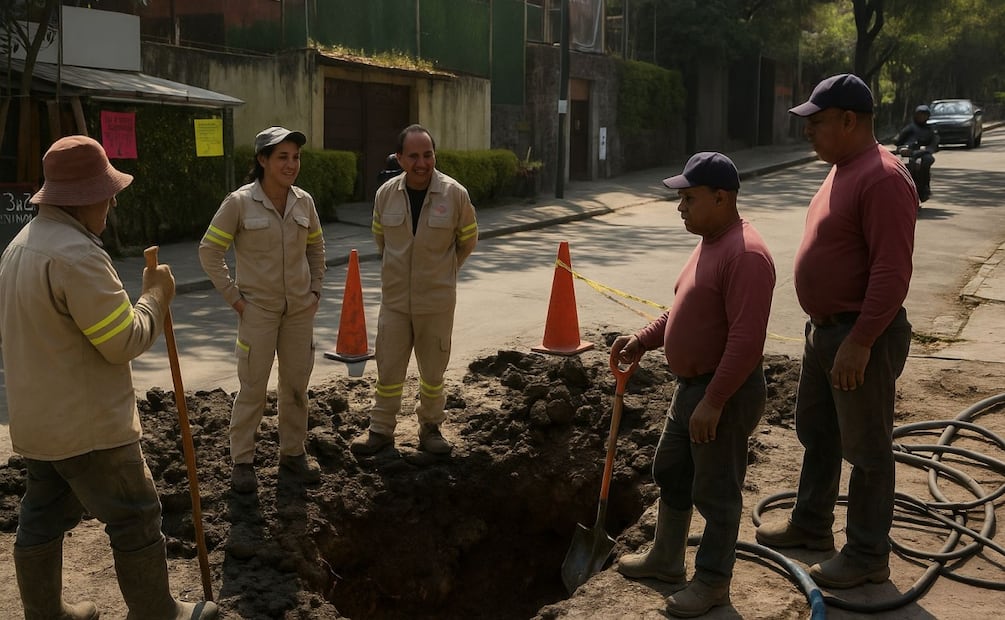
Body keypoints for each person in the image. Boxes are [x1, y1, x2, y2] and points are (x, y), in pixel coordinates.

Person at [0, 135, 217, 618]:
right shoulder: (77, 256)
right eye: (107, 191)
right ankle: (158, 613)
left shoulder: (19, 246)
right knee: (135, 515)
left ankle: (47, 613)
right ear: (82, 197)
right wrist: (156, 296)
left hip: (37, 423)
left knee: (41, 516)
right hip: (89, 428)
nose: (113, 200)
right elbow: (123, 340)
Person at [754, 74, 916, 590]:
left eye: (817, 122)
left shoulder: (883, 177)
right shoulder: (843, 169)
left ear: (850, 120)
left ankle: (868, 552)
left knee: (867, 449)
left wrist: (861, 340)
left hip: (858, 336)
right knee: (818, 433)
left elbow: (892, 273)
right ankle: (811, 523)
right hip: (826, 332)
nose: (809, 132)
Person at [611, 152, 775, 617]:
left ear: (721, 197)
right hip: (692, 388)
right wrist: (644, 339)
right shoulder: (710, 242)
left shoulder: (745, 255)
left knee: (717, 491)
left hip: (722, 391)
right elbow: (683, 310)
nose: (680, 207)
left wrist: (715, 401)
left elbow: (746, 342)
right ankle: (666, 558)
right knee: (672, 470)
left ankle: (712, 582)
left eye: (688, 198)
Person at [199, 126, 326, 494]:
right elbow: (209, 251)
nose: (291, 164)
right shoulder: (239, 203)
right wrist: (235, 299)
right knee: (253, 387)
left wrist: (316, 290)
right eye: (282, 157)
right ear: (263, 160)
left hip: (300, 312)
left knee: (296, 387)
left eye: (296, 157)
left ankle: (293, 454)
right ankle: (242, 461)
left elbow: (316, 249)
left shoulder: (304, 202)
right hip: (258, 312)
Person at [350, 124, 478, 456]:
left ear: (434, 155)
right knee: (388, 369)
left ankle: (431, 428)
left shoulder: (455, 195)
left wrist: (444, 272)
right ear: (400, 158)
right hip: (394, 302)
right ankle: (380, 431)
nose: (422, 163)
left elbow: (468, 240)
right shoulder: (385, 194)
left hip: (436, 302)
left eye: (428, 155)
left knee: (433, 373)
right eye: (414, 156)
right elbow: (381, 239)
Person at [892, 104, 939, 201]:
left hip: (923, 155)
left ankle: (923, 189)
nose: (922, 117)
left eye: (924, 115)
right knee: (899, 166)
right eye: (920, 114)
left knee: (925, 162)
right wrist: (902, 148)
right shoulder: (910, 128)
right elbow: (898, 140)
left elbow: (934, 145)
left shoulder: (930, 130)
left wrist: (926, 149)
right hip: (908, 154)